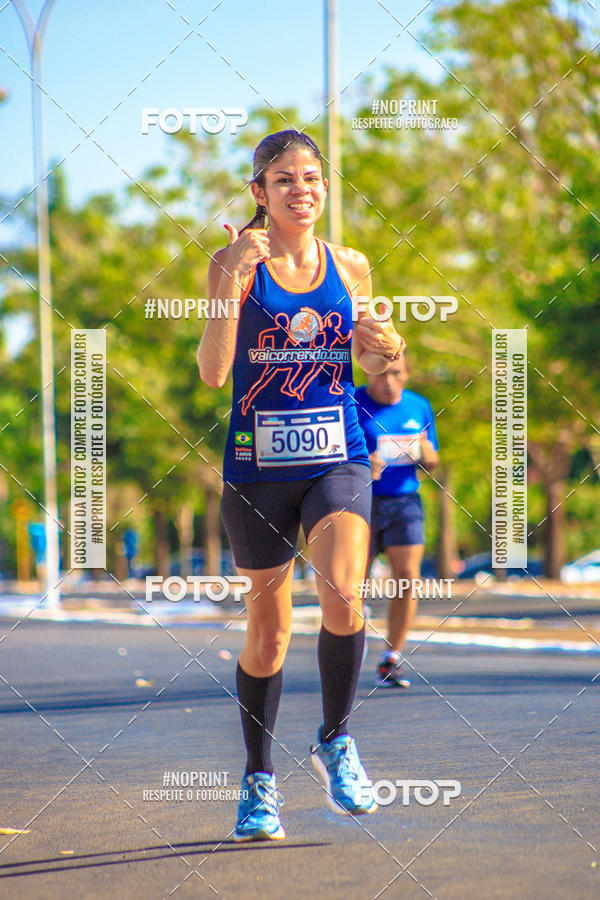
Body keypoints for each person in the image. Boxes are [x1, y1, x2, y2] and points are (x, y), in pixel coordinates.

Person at [197, 130, 405, 841]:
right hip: (257, 467)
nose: (301, 190)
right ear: (259, 192)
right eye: (284, 179)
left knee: (345, 592)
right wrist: (232, 278)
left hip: (336, 456)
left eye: (311, 177)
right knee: (269, 633)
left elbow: (372, 354)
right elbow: (214, 373)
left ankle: (335, 739)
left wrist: (388, 346)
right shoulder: (234, 263)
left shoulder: (350, 264)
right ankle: (259, 781)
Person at [355, 353, 439, 688]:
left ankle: (392, 657)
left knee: (407, 578)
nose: (389, 382)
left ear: (407, 373)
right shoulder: (351, 401)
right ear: (368, 373)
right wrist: (363, 462)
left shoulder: (419, 406)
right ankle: (350, 639)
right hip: (360, 501)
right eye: (382, 374)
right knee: (354, 583)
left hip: (404, 501)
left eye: (397, 373)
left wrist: (428, 455)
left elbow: (432, 458)